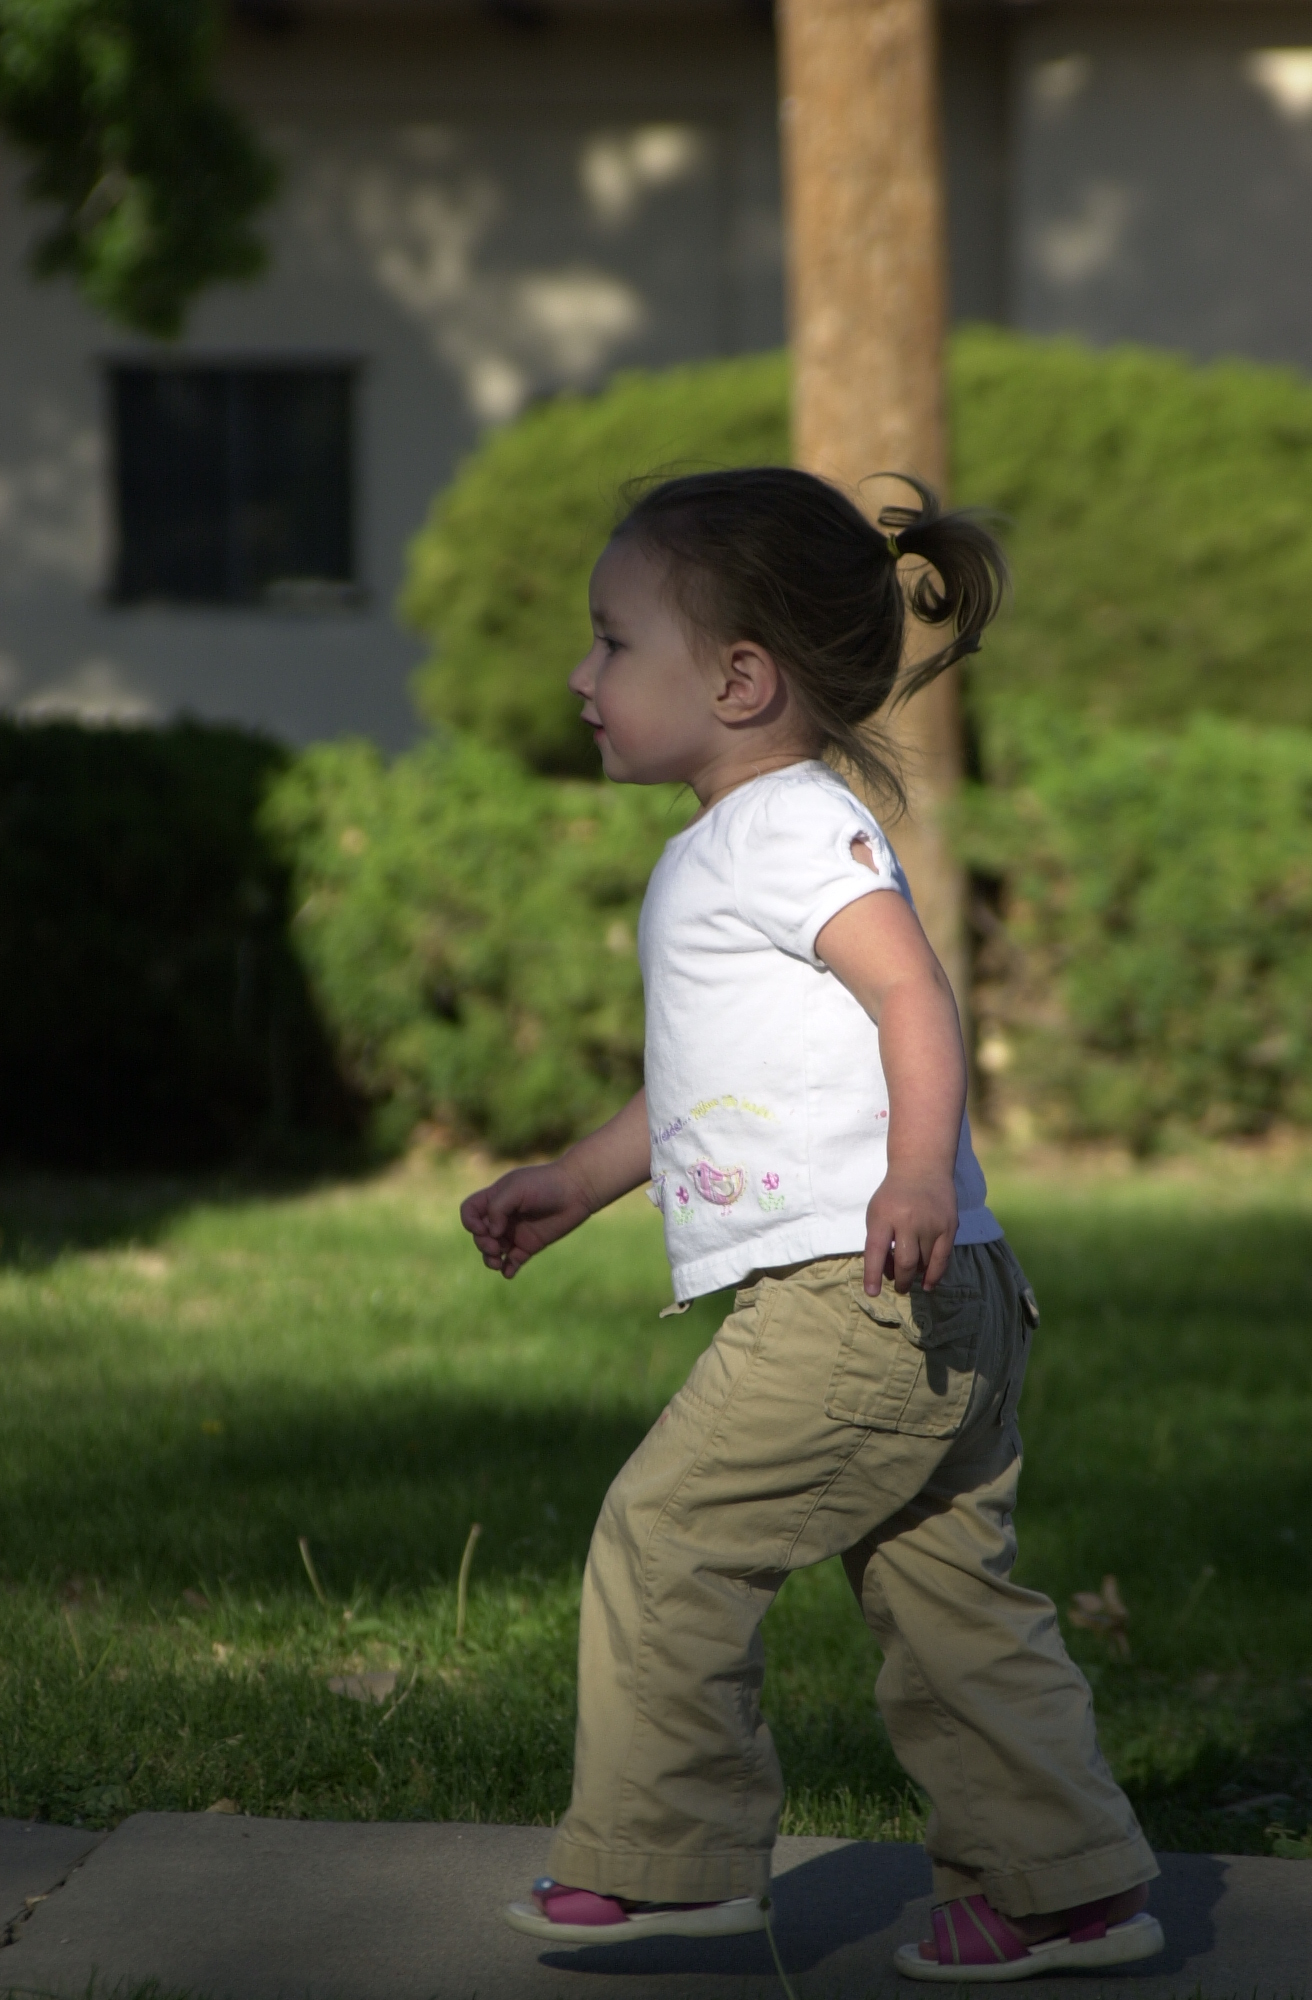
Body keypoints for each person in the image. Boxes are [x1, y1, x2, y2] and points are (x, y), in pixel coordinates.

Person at [459, 468, 1164, 1980]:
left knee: (668, 1538)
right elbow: (711, 1081)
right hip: (939, 1292)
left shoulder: (779, 828)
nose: (581, 675)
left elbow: (913, 991)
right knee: (950, 1607)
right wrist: (578, 1179)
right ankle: (1062, 1889)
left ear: (739, 680)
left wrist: (913, 1173)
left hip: (860, 1287)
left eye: (612, 641)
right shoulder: (744, 837)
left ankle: (666, 1865)